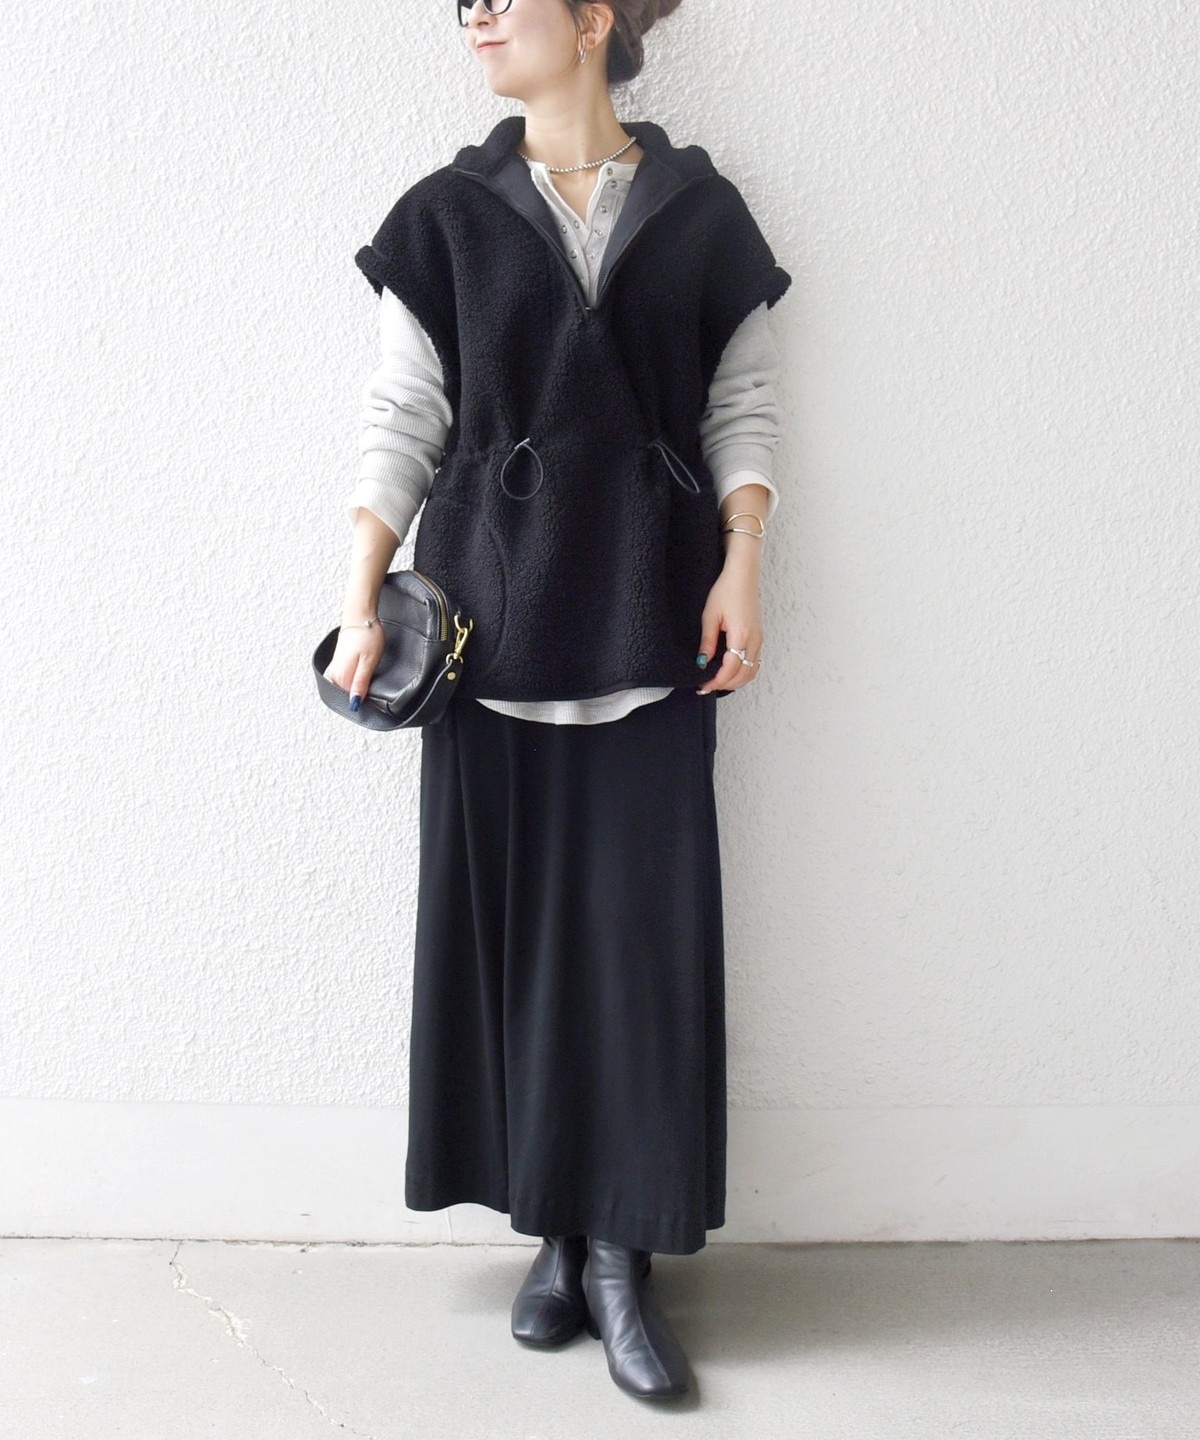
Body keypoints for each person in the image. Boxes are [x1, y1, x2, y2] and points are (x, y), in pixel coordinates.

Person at [323, 0, 791, 1403]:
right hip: (490, 633)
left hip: (654, 618)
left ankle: (622, 1259)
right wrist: (360, 594)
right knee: (519, 953)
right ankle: (554, 1233)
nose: (472, 15)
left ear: (591, 17)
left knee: (639, 956)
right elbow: (404, 416)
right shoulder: (446, 217)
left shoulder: (699, 211)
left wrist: (745, 564)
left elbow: (742, 407)